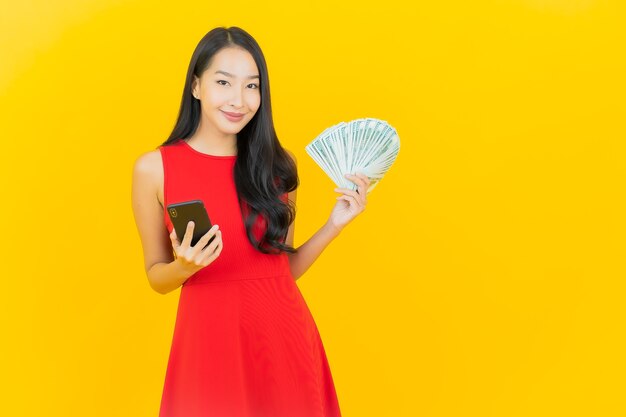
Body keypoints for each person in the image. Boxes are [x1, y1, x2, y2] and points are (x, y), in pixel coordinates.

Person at [131, 26, 370, 417]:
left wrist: (334, 225)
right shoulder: (154, 169)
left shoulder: (278, 166)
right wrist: (183, 267)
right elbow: (156, 277)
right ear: (196, 86)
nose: (239, 100)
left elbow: (282, 269)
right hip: (207, 346)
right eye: (224, 82)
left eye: (252, 86)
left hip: (284, 340)